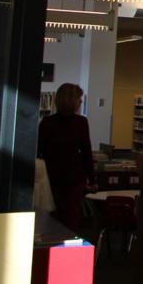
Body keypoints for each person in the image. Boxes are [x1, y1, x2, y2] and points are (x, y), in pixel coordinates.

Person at [37, 83, 95, 230]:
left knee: (52, 219)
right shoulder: (81, 122)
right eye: (79, 99)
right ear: (73, 101)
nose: (81, 102)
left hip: (51, 177)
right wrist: (92, 179)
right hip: (73, 179)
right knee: (71, 220)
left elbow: (39, 151)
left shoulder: (47, 122)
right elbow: (86, 152)